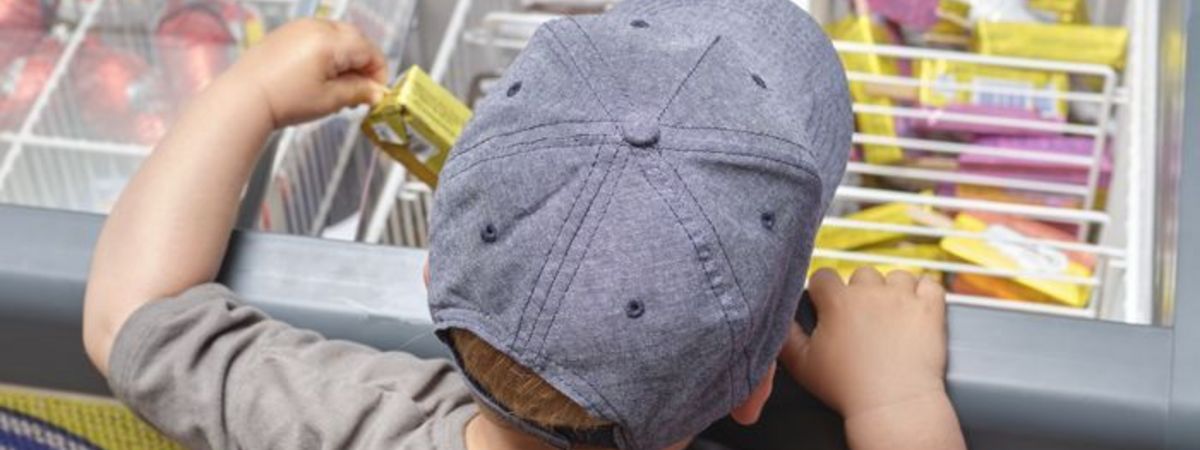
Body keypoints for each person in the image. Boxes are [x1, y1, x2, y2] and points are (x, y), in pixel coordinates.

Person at [82, 1, 966, 449]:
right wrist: (898, 400)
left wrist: (250, 93)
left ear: (435, 273)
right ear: (754, 391)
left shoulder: (362, 425)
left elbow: (132, 316)